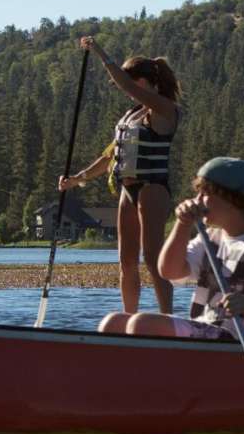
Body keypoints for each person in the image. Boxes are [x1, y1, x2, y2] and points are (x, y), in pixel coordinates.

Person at [99, 157, 244, 341]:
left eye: (204, 193)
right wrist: (183, 224)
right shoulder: (210, 239)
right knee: (113, 322)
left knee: (142, 324)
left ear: (232, 200)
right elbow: (169, 271)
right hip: (207, 330)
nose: (196, 201)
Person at [60, 36, 181, 314]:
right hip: (128, 191)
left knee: (153, 260)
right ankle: (129, 320)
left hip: (152, 189)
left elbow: (124, 83)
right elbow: (109, 156)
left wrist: (99, 52)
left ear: (142, 82)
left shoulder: (164, 108)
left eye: (129, 85)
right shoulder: (131, 115)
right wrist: (78, 178)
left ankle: (167, 319)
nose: (124, 91)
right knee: (126, 261)